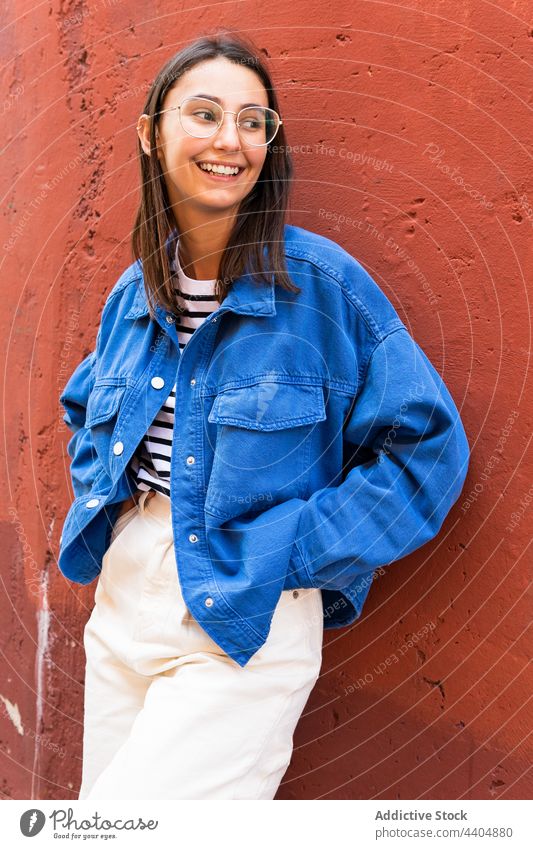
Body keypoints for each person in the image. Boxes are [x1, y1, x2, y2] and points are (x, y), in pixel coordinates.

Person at [58, 32, 470, 800]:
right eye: (205, 114)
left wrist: (291, 548)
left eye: (253, 121)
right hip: (122, 598)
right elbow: (86, 410)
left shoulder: (320, 288)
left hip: (242, 609)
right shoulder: (134, 292)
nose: (230, 140)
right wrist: (113, 518)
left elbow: (426, 450)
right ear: (151, 134)